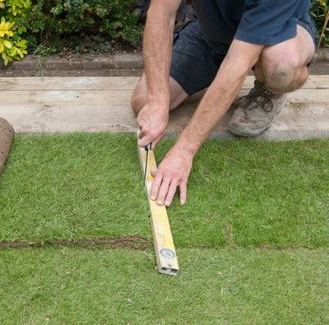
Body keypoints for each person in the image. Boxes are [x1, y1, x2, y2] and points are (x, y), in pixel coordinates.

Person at [132, 0, 317, 207]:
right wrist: (158, 101)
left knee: (282, 64)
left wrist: (184, 150)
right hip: (211, 32)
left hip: (279, 33)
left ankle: (268, 89)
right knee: (143, 99)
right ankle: (215, 83)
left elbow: (238, 63)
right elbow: (161, 12)